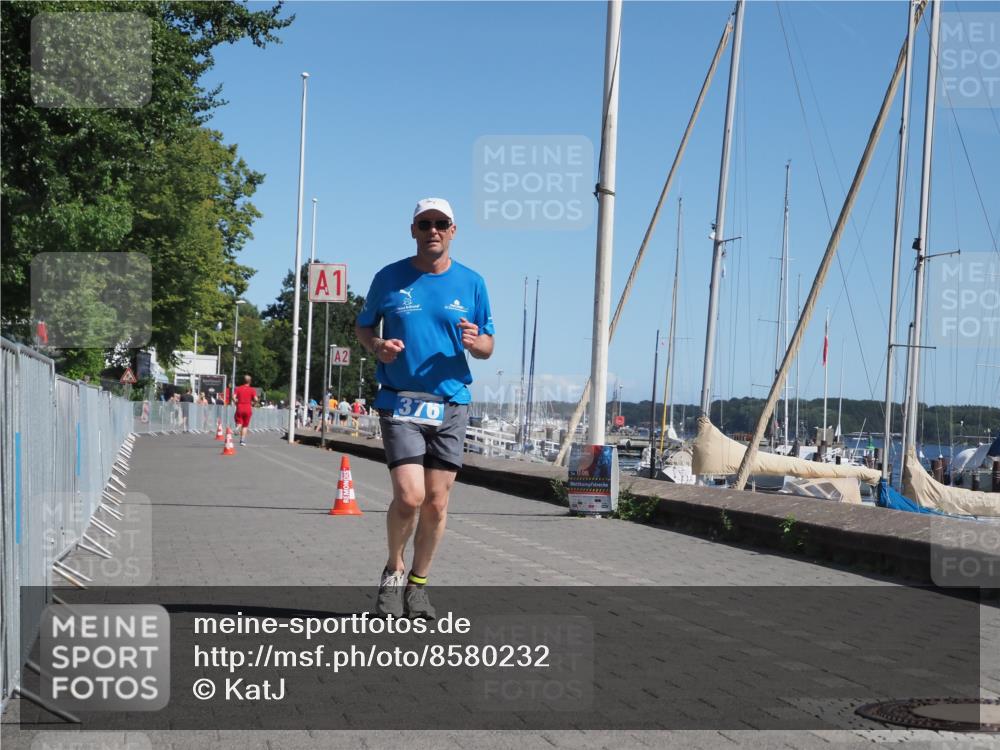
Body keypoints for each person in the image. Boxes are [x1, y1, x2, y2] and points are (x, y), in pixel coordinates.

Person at [356, 197, 494, 619]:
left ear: (453, 231)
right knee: (410, 496)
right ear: (413, 230)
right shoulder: (389, 278)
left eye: (441, 223)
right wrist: (377, 345)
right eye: (424, 223)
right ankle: (393, 570)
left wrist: (477, 344)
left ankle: (418, 584)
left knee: (436, 502)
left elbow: (488, 345)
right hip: (400, 400)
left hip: (451, 403)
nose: (433, 230)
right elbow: (364, 325)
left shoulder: (472, 283)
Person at [233, 374, 256, 446]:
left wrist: (236, 402)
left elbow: (233, 397)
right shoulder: (252, 390)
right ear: (250, 381)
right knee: (245, 426)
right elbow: (256, 399)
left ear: (243, 381)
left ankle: (237, 427)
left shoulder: (238, 388)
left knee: (239, 422)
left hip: (240, 407)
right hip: (248, 408)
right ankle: (242, 441)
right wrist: (253, 404)